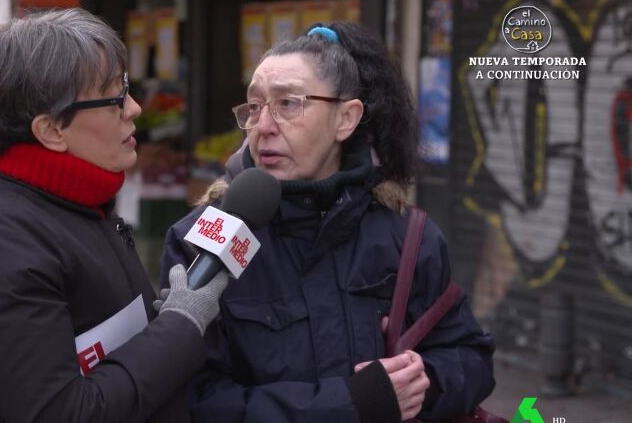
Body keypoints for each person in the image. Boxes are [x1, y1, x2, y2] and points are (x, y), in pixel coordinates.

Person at [160, 22, 495, 423]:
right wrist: (350, 405)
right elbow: (190, 401)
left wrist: (420, 381)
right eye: (254, 106)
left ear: (346, 119)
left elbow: (471, 357)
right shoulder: (200, 241)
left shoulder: (406, 236)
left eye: (288, 104)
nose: (263, 127)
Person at [0, 9, 229, 423]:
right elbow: (64, 412)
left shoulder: (82, 203)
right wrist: (179, 326)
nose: (134, 108)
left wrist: (165, 324)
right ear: (51, 130)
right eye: (114, 98)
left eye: (126, 88)